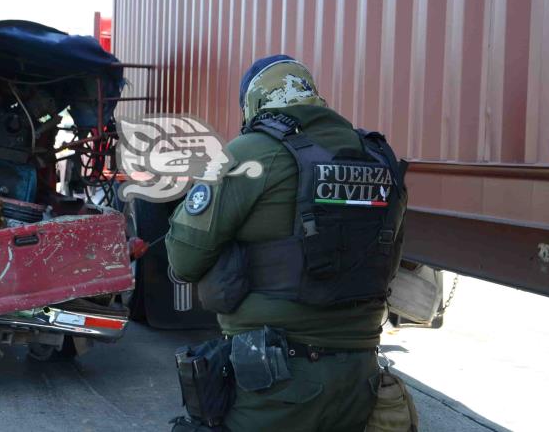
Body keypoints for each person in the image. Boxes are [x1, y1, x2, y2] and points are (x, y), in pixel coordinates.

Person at [166, 55, 407, 432]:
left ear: (254, 103)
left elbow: (184, 258)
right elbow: (388, 264)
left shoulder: (250, 153)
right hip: (360, 376)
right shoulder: (378, 157)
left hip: (275, 379)